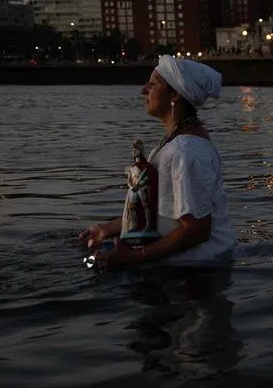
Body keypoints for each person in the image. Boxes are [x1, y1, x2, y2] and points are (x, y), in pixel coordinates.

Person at [79, 56, 236, 268]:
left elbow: (196, 230)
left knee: (79, 268)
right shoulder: (175, 142)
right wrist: (108, 228)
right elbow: (160, 211)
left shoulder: (185, 151)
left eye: (153, 84)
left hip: (194, 271)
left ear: (175, 94)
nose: (144, 89)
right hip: (181, 264)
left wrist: (134, 257)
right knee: (85, 261)